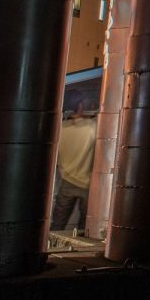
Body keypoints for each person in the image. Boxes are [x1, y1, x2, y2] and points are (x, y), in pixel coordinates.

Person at [50, 89, 97, 231]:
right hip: (88, 186)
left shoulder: (60, 129)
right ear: (80, 106)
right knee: (84, 228)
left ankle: (51, 249)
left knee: (57, 224)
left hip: (66, 182)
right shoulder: (92, 127)